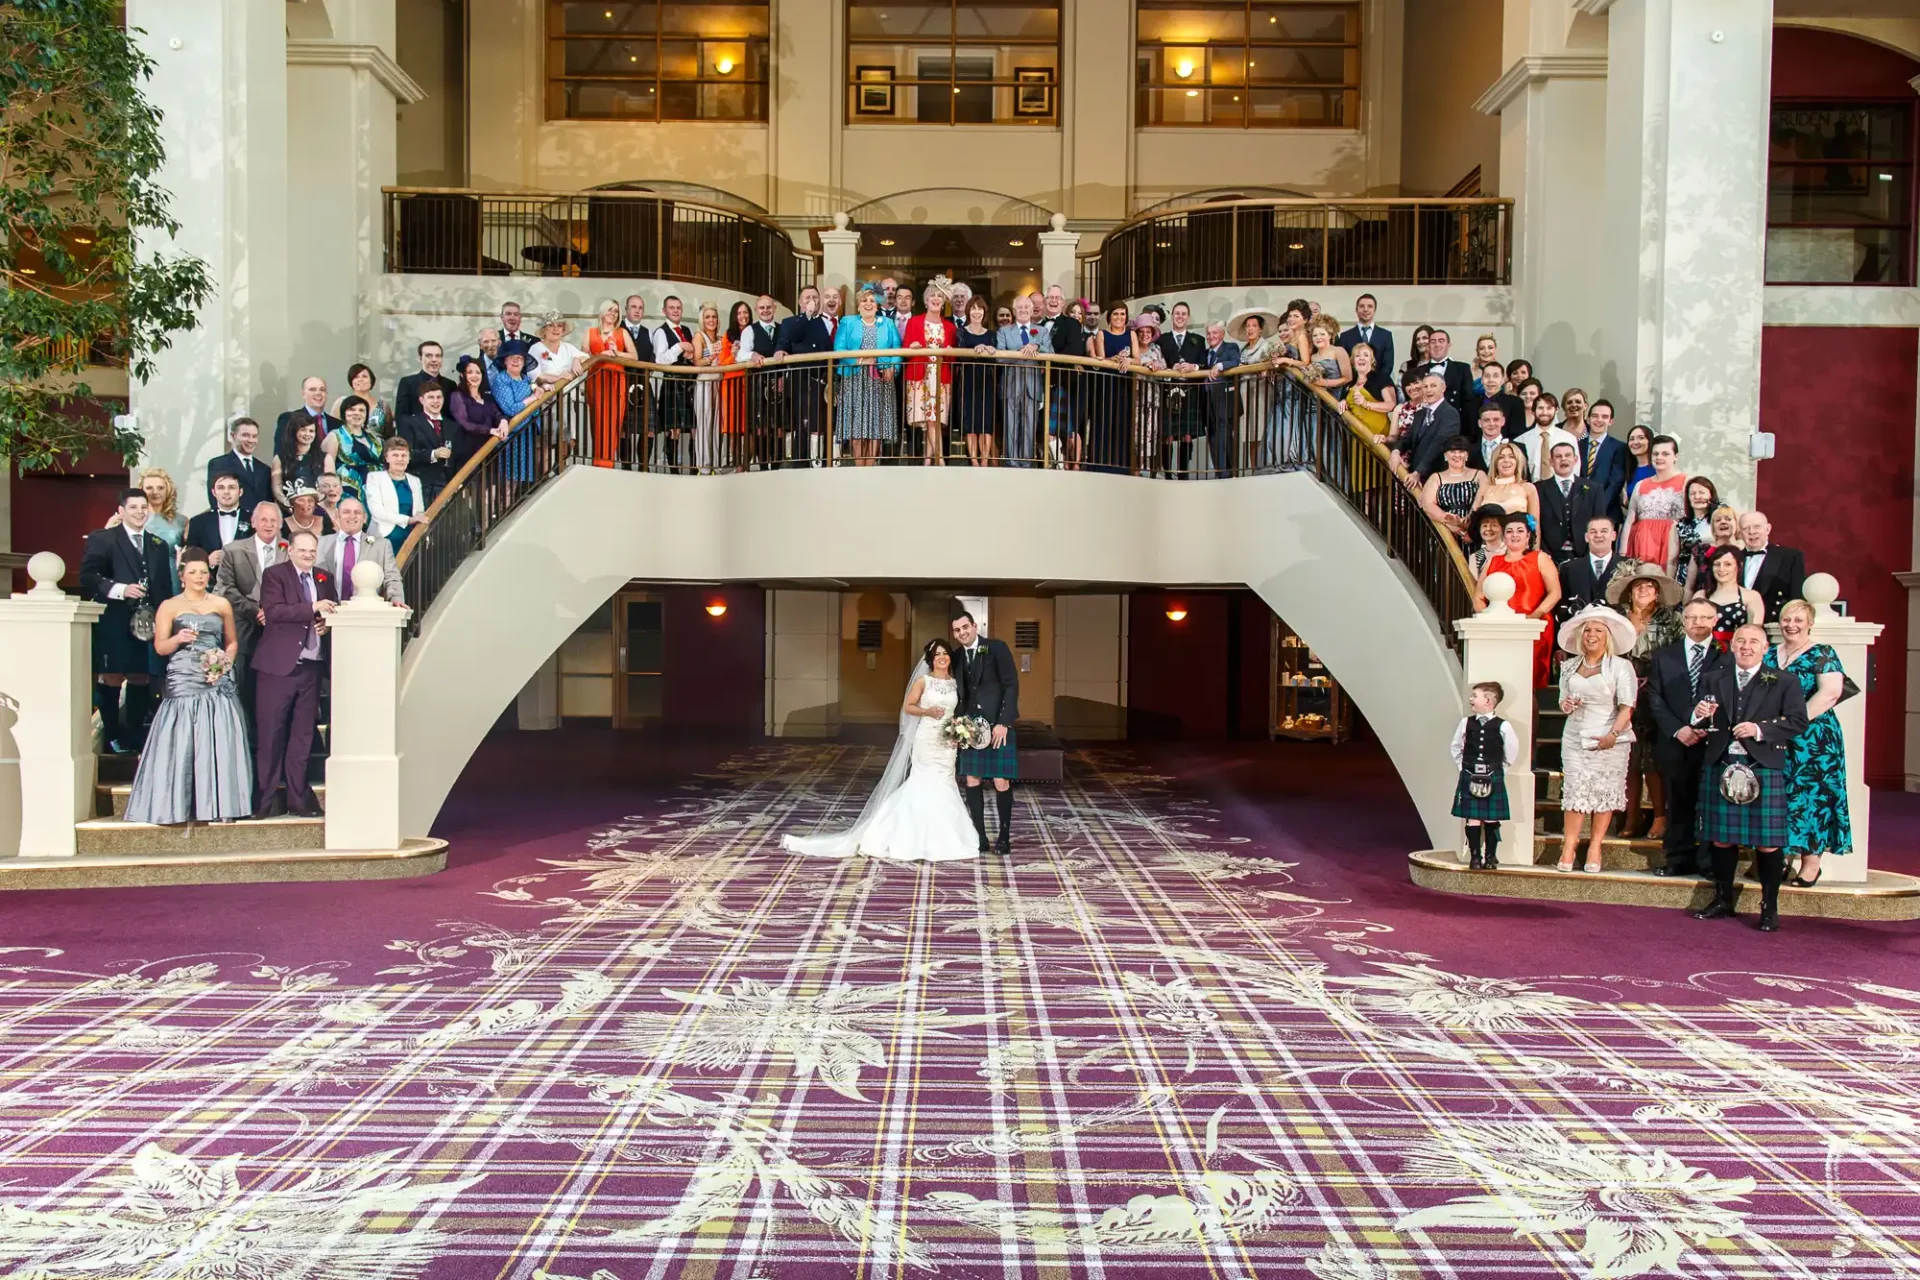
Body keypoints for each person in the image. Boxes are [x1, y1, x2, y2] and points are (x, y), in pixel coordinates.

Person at [780, 637, 980, 863]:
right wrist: (926, 712)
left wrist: (958, 733)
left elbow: (956, 712)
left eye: (945, 653)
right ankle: (906, 835)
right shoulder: (924, 681)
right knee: (923, 782)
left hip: (947, 743)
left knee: (946, 782)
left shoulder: (955, 683)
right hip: (926, 739)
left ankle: (945, 837)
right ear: (931, 659)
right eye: (937, 655)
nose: (942, 658)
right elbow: (908, 706)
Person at [1689, 623, 1809, 932]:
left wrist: (1759, 730)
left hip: (1762, 765)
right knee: (1721, 838)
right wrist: (1699, 714)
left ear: (1765, 647)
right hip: (1721, 761)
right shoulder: (1713, 678)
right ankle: (1723, 899)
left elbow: (1797, 721)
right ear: (1732, 645)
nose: (1746, 646)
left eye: (1753, 641)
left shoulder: (1784, 681)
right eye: (1741, 640)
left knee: (1767, 844)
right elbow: (1701, 720)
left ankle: (1769, 908)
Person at [119, 546, 252, 825]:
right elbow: (160, 647)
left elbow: (231, 642)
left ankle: (218, 802)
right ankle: (175, 803)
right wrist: (178, 639)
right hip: (183, 676)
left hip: (215, 678)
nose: (199, 577)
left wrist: (223, 665)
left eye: (203, 572)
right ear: (182, 576)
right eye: (193, 572)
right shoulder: (169, 606)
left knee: (218, 734)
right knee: (182, 736)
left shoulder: (221, 604)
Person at [80, 488, 175, 752]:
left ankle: (133, 737)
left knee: (141, 676)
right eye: (133, 507)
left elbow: (164, 588)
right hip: (114, 619)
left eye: (143, 507)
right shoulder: (103, 539)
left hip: (147, 623)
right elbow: (88, 577)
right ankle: (112, 735)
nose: (139, 512)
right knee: (111, 676)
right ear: (121, 511)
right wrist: (121, 589)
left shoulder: (158, 544)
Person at [251, 529, 336, 820]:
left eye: (312, 551)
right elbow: (274, 612)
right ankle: (264, 801)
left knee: (302, 739)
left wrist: (326, 623)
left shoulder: (325, 578)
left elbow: (331, 612)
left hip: (312, 668)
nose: (308, 556)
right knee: (271, 736)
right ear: (290, 550)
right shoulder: (275, 575)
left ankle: (298, 801)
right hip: (278, 668)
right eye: (303, 551)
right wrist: (313, 607)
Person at [1768, 600, 1851, 887]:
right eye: (1786, 618)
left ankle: (1811, 864)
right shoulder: (1769, 652)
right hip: (1776, 737)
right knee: (1781, 797)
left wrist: (1792, 724)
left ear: (1810, 622)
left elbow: (1830, 693)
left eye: (1799, 620)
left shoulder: (1822, 653)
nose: (1791, 624)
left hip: (1814, 740)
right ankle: (1778, 860)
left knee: (1813, 799)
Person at [1553, 605, 1638, 873]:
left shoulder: (1621, 667)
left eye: (1598, 630)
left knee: (1603, 791)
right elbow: (1562, 703)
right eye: (1587, 630)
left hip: (1608, 735)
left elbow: (1627, 706)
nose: (1591, 635)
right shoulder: (1568, 666)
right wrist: (1566, 704)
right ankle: (1569, 845)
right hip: (1575, 736)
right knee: (1576, 789)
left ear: (1607, 636)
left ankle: (1595, 846)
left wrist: (1613, 735)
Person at [1647, 598, 1729, 878]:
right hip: (1675, 741)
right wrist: (1679, 729)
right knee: (1677, 801)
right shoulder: (1663, 656)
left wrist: (1709, 726)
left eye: (1705, 617)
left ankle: (1708, 861)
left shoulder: (1726, 657)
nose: (1698, 623)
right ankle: (1677, 858)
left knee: (1709, 802)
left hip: (1712, 743)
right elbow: (1655, 698)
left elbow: (1732, 697)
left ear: (1715, 621)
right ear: (1683, 621)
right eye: (1692, 617)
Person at [1610, 564, 1685, 839]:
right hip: (1620, 695)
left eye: (1650, 586)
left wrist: (1655, 679)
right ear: (1630, 590)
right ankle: (1631, 815)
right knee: (1627, 759)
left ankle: (1660, 816)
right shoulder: (1616, 618)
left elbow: (1680, 657)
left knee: (1653, 760)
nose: (1644, 589)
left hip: (1658, 694)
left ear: (1658, 592)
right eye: (1639, 585)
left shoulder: (1672, 619)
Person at [951, 611, 1019, 855]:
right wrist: (957, 726)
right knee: (972, 779)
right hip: (970, 728)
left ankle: (1004, 836)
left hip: (998, 726)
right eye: (957, 630)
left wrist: (1004, 722)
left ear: (974, 625)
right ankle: (980, 836)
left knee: (1001, 781)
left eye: (965, 627)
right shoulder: (957, 657)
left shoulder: (996, 648)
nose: (962, 633)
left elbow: (1011, 685)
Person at [1478, 513, 1562, 686]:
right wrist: (1488, 621)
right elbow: (1479, 596)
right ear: (1504, 536)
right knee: (1500, 680)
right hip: (1500, 628)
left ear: (1528, 535)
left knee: (1529, 683)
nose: (1514, 535)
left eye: (1519, 530)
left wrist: (1533, 617)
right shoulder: (1493, 562)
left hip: (1533, 626)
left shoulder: (1540, 558)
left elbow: (1555, 593)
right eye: (1509, 531)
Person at [1450, 680, 1519, 871]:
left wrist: (1499, 769)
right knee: (1472, 817)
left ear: (1488, 700)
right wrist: (1462, 767)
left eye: (1475, 696)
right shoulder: (1466, 723)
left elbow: (1511, 751)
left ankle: (1490, 856)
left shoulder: (1503, 726)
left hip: (1493, 775)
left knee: (1490, 818)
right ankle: (1475, 857)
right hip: (1469, 774)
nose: (1471, 699)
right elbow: (1456, 747)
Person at [831, 286, 900, 467]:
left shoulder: (888, 323)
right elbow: (839, 349)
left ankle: (870, 466)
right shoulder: (848, 322)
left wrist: (892, 367)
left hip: (880, 380)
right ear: (858, 305)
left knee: (876, 426)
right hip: (854, 379)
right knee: (857, 426)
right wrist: (861, 360)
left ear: (877, 306)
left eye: (871, 301)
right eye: (864, 300)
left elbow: (897, 350)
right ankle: (859, 466)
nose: (868, 304)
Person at [773, 285, 833, 466]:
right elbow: (784, 342)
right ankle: (799, 463)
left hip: (818, 381)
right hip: (799, 381)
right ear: (800, 301)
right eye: (807, 298)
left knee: (818, 425)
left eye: (815, 297)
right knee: (801, 425)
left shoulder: (823, 323)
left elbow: (828, 350)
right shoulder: (790, 322)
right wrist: (781, 351)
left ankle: (818, 463)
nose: (812, 301)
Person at [903, 277, 958, 466]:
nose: (936, 299)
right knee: (928, 421)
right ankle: (938, 459)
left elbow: (953, 358)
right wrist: (913, 346)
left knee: (934, 421)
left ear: (944, 302)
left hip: (941, 377)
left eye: (939, 297)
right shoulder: (914, 322)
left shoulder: (950, 327)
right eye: (932, 296)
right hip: (919, 376)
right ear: (926, 301)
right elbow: (906, 350)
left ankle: (930, 459)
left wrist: (950, 352)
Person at [996, 293, 1052, 468]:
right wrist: (1020, 353)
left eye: (1026, 307)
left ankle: (1027, 462)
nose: (1023, 310)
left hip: (1032, 384)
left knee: (1030, 425)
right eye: (1019, 308)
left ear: (1031, 310)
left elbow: (1051, 353)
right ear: (1014, 311)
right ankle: (1012, 462)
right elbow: (999, 357)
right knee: (1011, 425)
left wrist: (1037, 346)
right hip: (1011, 384)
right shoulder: (1004, 331)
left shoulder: (1041, 331)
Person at [318, 497, 405, 605]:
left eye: (357, 512)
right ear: (337, 516)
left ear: (364, 518)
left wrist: (396, 599)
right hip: (328, 613)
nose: (352, 516)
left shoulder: (381, 545)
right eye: (346, 512)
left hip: (366, 612)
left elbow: (392, 578)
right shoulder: (320, 543)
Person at [585, 298, 638, 469]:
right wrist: (601, 354)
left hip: (616, 381)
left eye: (616, 311)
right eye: (610, 310)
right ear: (602, 311)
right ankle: (598, 462)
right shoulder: (591, 332)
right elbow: (583, 356)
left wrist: (616, 353)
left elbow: (634, 357)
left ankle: (608, 462)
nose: (613, 314)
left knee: (613, 422)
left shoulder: (621, 332)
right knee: (597, 421)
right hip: (597, 380)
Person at [1621, 434, 1685, 571]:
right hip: (1643, 546)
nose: (1659, 457)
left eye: (1665, 454)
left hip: (1672, 545)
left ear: (1676, 456)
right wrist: (1622, 554)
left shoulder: (1686, 482)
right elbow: (1629, 521)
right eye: (1655, 454)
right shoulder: (1641, 485)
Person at [488, 340, 546, 485]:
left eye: (519, 358)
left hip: (527, 434)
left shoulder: (525, 378)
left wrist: (537, 388)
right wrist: (532, 399)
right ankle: (503, 508)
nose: (516, 360)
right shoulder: (501, 379)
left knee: (519, 481)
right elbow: (511, 409)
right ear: (505, 361)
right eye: (512, 357)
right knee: (509, 481)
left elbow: (531, 384)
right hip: (512, 435)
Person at [1535, 443, 1604, 562]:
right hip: (1550, 556)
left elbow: (1599, 523)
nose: (1563, 459)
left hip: (1583, 555)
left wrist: (1590, 553)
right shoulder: (1539, 489)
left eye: (1567, 455)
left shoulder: (1593, 489)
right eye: (1558, 456)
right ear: (1551, 462)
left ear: (1575, 459)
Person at [951, 294, 998, 467]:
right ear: (968, 311)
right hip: (967, 381)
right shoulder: (961, 332)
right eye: (973, 308)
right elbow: (960, 355)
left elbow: (995, 360)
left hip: (986, 383)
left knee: (985, 421)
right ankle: (974, 461)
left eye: (980, 309)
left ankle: (984, 460)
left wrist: (989, 349)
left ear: (985, 312)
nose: (976, 312)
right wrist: (975, 350)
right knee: (970, 421)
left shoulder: (992, 335)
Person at [1045, 286, 1088, 468]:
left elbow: (1074, 350)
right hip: (1040, 384)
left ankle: (1068, 466)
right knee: (1046, 429)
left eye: (1057, 298)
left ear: (1062, 302)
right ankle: (1056, 463)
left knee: (1067, 430)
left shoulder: (1071, 324)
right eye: (1050, 297)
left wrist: (1048, 364)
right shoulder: (1037, 324)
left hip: (1062, 382)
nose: (1053, 301)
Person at [1737, 510, 1807, 622]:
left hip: (1774, 626)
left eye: (1757, 526)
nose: (1752, 532)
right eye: (1746, 528)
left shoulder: (1790, 557)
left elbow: (1797, 598)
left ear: (1768, 529)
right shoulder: (1733, 559)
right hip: (1738, 627)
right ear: (1740, 534)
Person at [366, 434, 427, 555]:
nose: (400, 459)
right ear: (387, 458)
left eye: (404, 455)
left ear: (409, 458)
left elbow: (419, 511)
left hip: (410, 536)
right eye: (395, 455)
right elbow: (377, 511)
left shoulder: (415, 481)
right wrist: (408, 520)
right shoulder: (374, 477)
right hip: (384, 535)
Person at [1557, 515, 1626, 621]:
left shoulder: (1628, 565)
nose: (1598, 535)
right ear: (1586, 537)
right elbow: (1562, 606)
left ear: (1613, 535)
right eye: (1593, 532)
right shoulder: (1569, 569)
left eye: (1604, 531)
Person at [449, 354, 508, 472]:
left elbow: (497, 413)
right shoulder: (458, 396)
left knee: (492, 486)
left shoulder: (486, 396)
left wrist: (503, 421)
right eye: (470, 372)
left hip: (490, 449)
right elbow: (464, 423)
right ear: (462, 375)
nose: (474, 376)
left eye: (478, 372)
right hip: (468, 450)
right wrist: (490, 430)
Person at [1574, 399, 1630, 524]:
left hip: (1607, 512)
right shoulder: (1577, 445)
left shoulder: (1619, 447)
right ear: (1588, 419)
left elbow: (1615, 482)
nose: (1599, 420)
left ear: (1610, 421)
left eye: (1604, 417)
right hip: (1578, 512)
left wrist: (1598, 507)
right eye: (1595, 416)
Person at [1698, 544, 1765, 648]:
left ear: (1739, 566)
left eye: (1727, 564)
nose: (1721, 569)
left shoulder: (1751, 597)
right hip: (1703, 651)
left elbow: (1754, 634)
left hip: (1736, 652)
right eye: (1717, 564)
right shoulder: (1701, 596)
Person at [397, 384, 455, 502]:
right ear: (421, 400)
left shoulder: (452, 425)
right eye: (431, 397)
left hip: (449, 485)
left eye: (439, 397)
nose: (435, 401)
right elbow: (405, 454)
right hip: (422, 485)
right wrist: (433, 454)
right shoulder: (409, 423)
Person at [1199, 320, 1241, 476]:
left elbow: (1235, 361)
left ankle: (1227, 475)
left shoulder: (1231, 347)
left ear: (1222, 334)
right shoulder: (1205, 353)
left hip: (1225, 403)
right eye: (1208, 333)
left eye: (1214, 333)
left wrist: (1219, 366)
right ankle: (1219, 473)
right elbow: (1199, 367)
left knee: (1225, 441)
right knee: (1213, 441)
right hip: (1208, 403)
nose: (1211, 336)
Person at [1420, 437, 1484, 541]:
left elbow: (1483, 498)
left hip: (1473, 530)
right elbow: (1428, 504)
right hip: (1445, 531)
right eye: (1452, 451)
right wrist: (1450, 525)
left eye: (1462, 451)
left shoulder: (1479, 475)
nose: (1457, 455)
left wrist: (1468, 525)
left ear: (1467, 455)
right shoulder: (1436, 477)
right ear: (1445, 455)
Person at [690, 300, 728, 475]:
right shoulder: (699, 336)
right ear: (702, 319)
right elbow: (696, 361)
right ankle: (704, 466)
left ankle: (716, 463)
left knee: (716, 424)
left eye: (713, 317)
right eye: (707, 317)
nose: (711, 320)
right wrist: (710, 357)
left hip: (719, 383)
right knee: (704, 423)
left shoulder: (721, 338)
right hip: (705, 381)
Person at [208, 417, 276, 513]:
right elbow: (215, 499)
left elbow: (268, 501)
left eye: (254, 436)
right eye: (245, 435)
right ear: (233, 436)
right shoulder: (219, 464)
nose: (251, 440)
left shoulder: (264, 469)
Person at [323, 396, 382, 502]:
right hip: (348, 489)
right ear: (344, 413)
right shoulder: (335, 436)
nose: (356, 413)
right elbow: (327, 468)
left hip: (375, 489)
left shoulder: (373, 437)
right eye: (352, 409)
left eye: (361, 410)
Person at [184, 473, 250, 564]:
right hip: (211, 576)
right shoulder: (198, 522)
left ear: (240, 492)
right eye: (221, 487)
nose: (226, 492)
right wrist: (206, 561)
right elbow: (190, 557)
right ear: (213, 492)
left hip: (246, 577)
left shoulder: (254, 519)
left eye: (231, 487)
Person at [1472, 441, 1538, 527]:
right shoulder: (1484, 489)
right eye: (1501, 457)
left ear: (1518, 461)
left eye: (1511, 457)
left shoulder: (1528, 488)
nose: (1506, 460)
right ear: (1495, 462)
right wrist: (1458, 523)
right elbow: (1472, 522)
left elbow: (1535, 525)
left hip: (1517, 539)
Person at [719, 300, 752, 463]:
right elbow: (722, 364)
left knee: (750, 426)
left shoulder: (754, 331)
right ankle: (737, 462)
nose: (743, 316)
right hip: (732, 384)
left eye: (745, 312)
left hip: (750, 384)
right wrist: (733, 354)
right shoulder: (728, 336)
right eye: (739, 313)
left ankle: (748, 460)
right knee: (733, 427)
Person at [275, 376, 340, 455]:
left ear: (326, 394)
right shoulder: (288, 419)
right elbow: (280, 454)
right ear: (303, 394)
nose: (318, 393)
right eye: (312, 389)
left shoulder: (338, 424)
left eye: (322, 390)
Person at [393, 342, 456, 423]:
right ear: (420, 358)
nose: (434, 360)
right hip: (416, 434)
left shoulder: (450, 385)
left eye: (438, 356)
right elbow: (401, 417)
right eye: (429, 356)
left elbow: (453, 417)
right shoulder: (408, 383)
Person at [1673, 478, 1720, 587]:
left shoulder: (1720, 520)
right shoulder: (1680, 525)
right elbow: (1672, 560)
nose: (1697, 497)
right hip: (1685, 577)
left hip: (1713, 574)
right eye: (1693, 494)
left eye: (1702, 492)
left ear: (1711, 495)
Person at [272, 417, 328, 508]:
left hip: (318, 508)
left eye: (311, 431)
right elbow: (277, 487)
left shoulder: (325, 458)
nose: (307, 434)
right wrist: (287, 504)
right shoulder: (279, 458)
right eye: (303, 430)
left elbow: (330, 486)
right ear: (294, 431)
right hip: (289, 509)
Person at [1518, 393, 1576, 481]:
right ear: (1533, 411)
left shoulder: (1569, 438)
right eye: (1540, 408)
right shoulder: (1521, 441)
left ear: (1556, 410)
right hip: (1530, 489)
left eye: (1549, 408)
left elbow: (1575, 470)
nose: (1545, 412)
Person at [1686, 503, 1741, 595]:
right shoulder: (1700, 550)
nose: (1723, 522)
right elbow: (1689, 587)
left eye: (1728, 519)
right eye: (1718, 520)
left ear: (1736, 523)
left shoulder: (1743, 551)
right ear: (1713, 528)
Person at [1337, 293, 1393, 379]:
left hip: (1379, 385)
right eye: (1362, 306)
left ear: (1375, 310)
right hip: (1353, 384)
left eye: (1370, 306)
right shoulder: (1345, 336)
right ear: (1356, 310)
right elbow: (1343, 364)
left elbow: (1388, 365)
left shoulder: (1386, 335)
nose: (1365, 309)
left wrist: (1377, 383)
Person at [1420, 329, 1474, 417]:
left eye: (1441, 341)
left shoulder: (1462, 369)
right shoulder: (1418, 371)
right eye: (1433, 342)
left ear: (1448, 345)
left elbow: (1468, 402)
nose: (1437, 345)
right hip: (1426, 422)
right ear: (1429, 346)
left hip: (1454, 421)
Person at [333, 363, 394, 438]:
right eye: (356, 377)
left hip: (378, 448)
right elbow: (333, 431)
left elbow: (389, 436)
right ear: (351, 381)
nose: (360, 379)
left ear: (371, 380)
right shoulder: (341, 402)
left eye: (364, 376)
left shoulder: (383, 406)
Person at [1470, 361, 1526, 442]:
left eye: (1495, 376)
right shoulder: (1471, 404)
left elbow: (1518, 435)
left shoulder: (1515, 403)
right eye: (1487, 376)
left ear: (1502, 380)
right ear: (1481, 380)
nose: (1491, 380)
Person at [1465, 504, 1509, 578]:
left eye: (1494, 525)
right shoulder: (1475, 557)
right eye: (1484, 525)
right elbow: (1474, 586)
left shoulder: (1511, 551)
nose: (1488, 529)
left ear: (1502, 528)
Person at [1622, 424, 1655, 502]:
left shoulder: (1657, 469)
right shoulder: (1628, 469)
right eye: (1631, 439)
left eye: (1641, 438)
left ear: (1649, 441)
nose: (1635, 442)